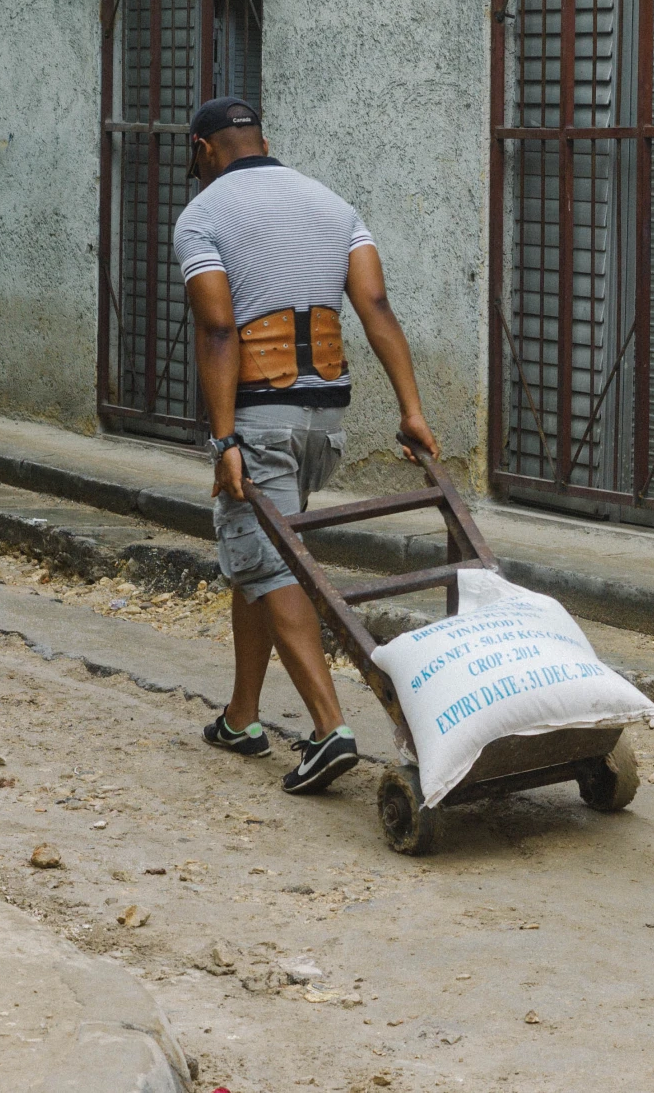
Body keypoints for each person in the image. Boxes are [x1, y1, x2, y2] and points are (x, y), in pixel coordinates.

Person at [174, 96, 439, 794]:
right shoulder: (331, 204)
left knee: (268, 563)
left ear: (203, 150)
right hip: (326, 418)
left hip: (260, 418)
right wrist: (411, 411)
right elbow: (374, 306)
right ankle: (241, 715)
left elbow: (219, 329)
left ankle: (329, 730)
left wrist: (224, 436)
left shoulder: (202, 216)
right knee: (258, 555)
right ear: (262, 138)